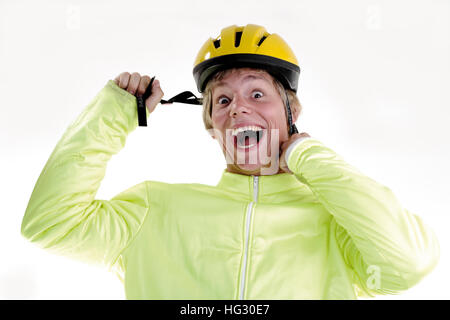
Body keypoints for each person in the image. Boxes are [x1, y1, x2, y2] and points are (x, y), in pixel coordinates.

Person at [21, 24, 439, 299]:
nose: (238, 109)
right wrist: (113, 114)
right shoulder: (155, 210)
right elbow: (51, 224)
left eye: (257, 94)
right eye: (223, 100)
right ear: (213, 127)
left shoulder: (336, 223)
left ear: (290, 112)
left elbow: (409, 263)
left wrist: (307, 155)